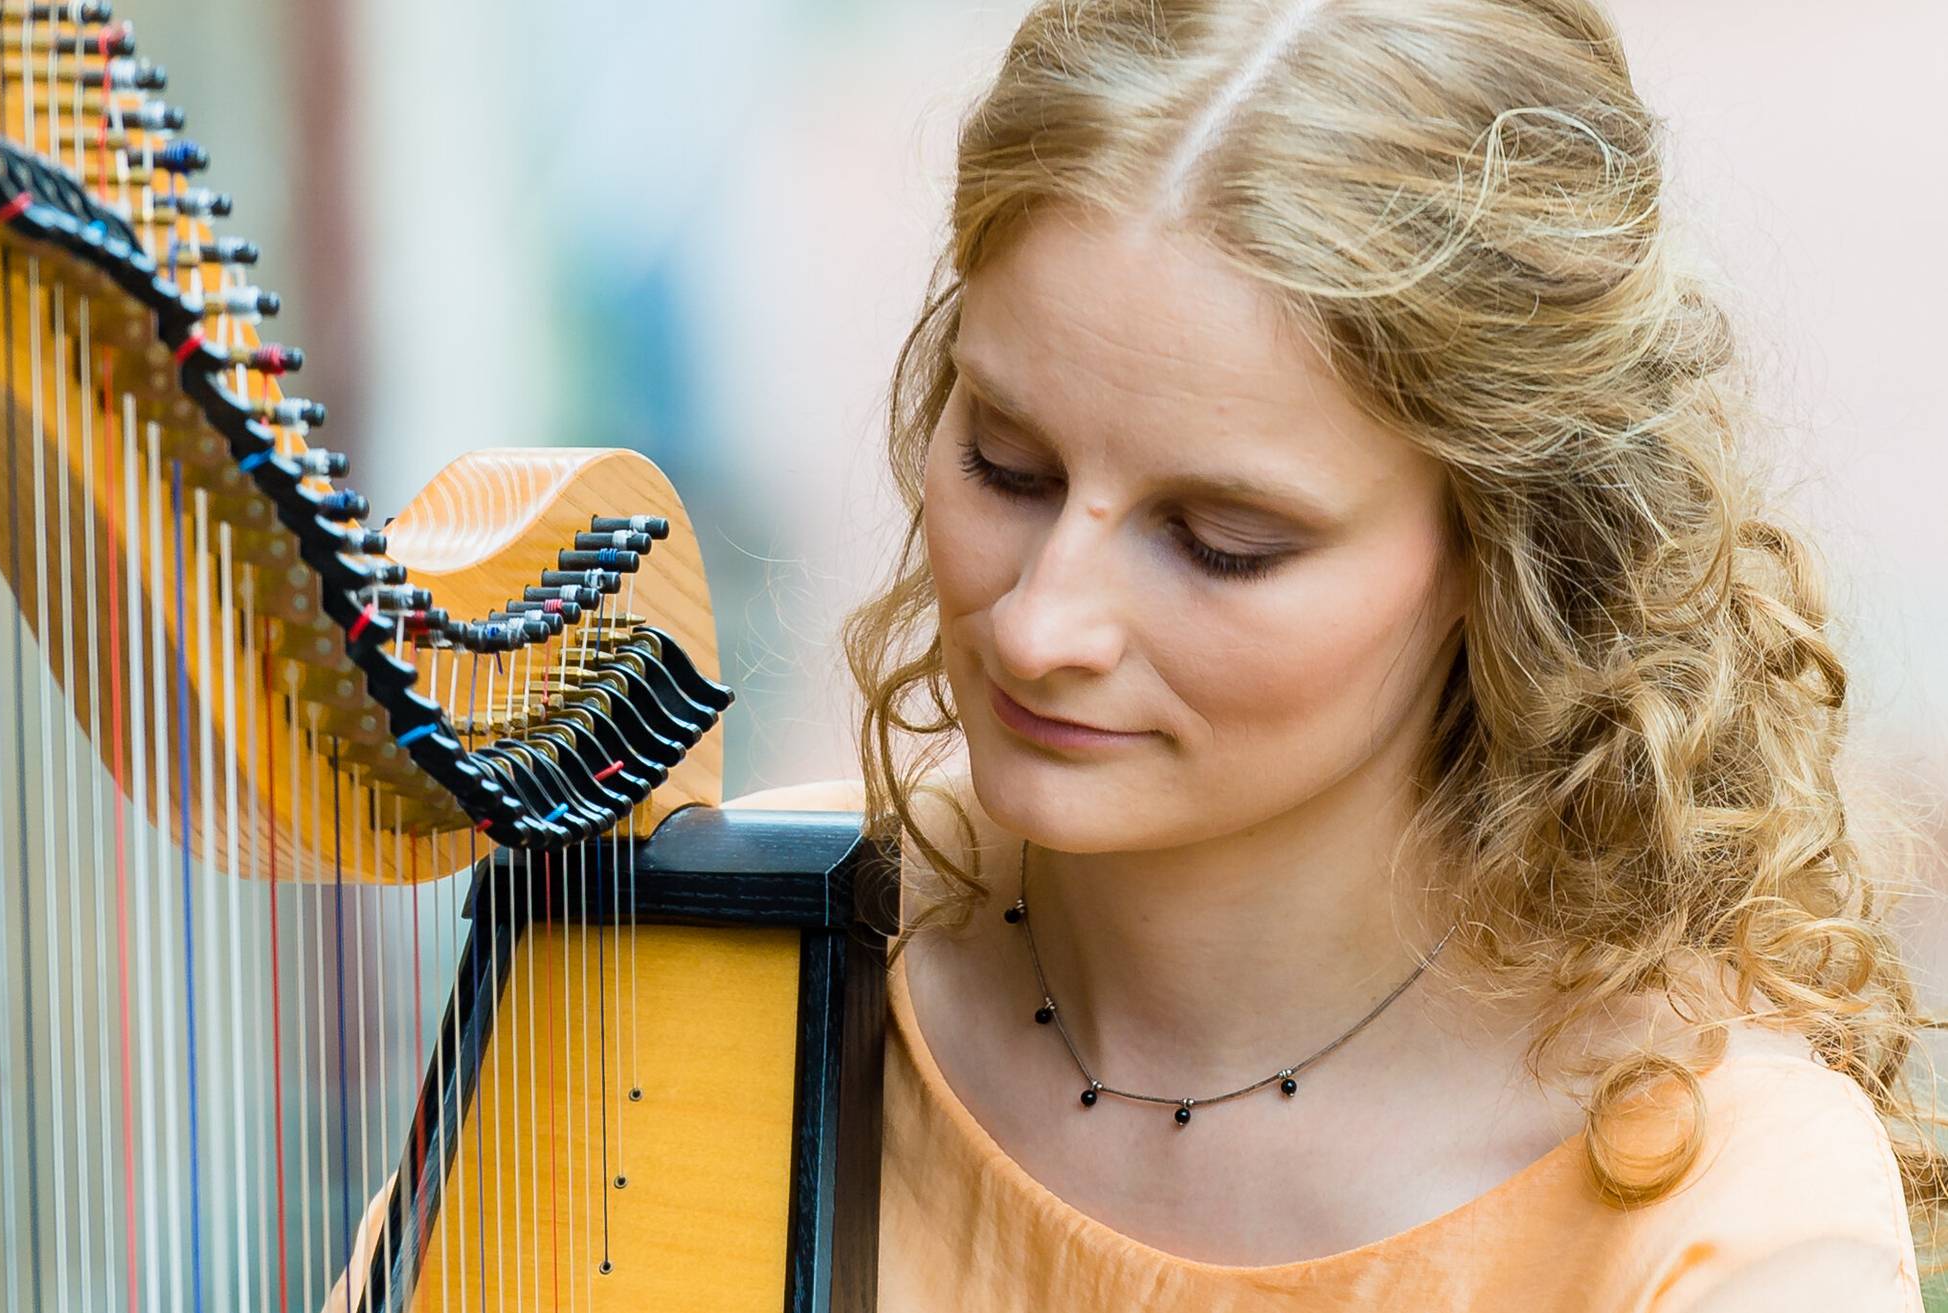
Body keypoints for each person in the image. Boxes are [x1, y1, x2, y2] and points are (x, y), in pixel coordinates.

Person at [733, 0, 1943, 1307]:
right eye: (1007, 466)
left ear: (1510, 554)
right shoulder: (719, 943)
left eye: (1221, 541)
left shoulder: (1721, 1207)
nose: (1039, 624)